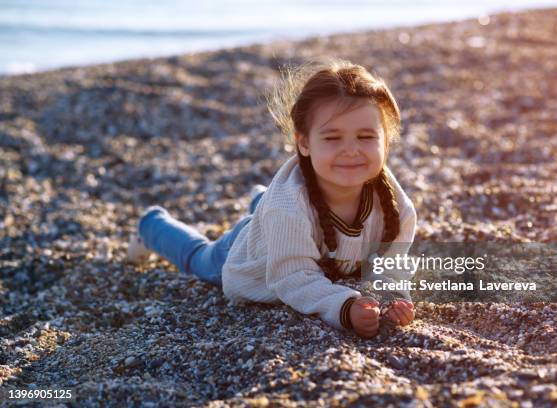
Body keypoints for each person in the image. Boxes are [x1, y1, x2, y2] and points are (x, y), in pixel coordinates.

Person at [126, 58, 417, 339]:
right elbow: (294, 280)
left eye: (366, 137)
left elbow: (391, 265)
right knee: (199, 258)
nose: (351, 150)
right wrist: (346, 306)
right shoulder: (288, 209)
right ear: (304, 142)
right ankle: (151, 226)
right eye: (332, 138)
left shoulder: (395, 206)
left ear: (386, 140)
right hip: (253, 254)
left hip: (289, 223)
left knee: (280, 213)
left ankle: (260, 201)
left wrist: (392, 300)